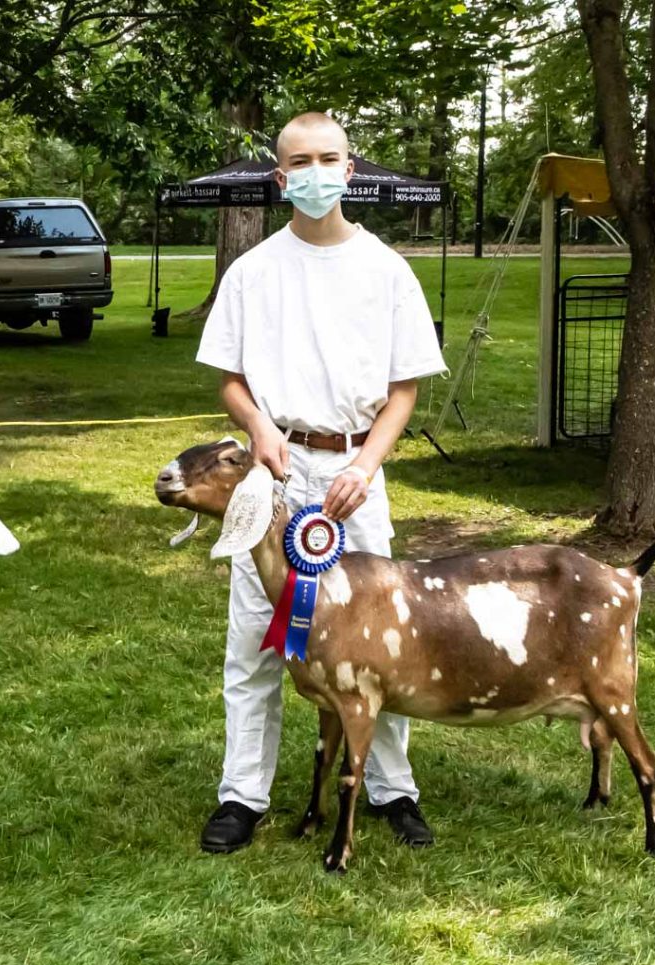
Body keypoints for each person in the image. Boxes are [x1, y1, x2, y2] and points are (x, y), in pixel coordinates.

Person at [194, 111, 450, 855]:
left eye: (328, 157)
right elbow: (231, 381)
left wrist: (367, 464)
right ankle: (243, 794)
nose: (314, 172)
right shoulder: (254, 271)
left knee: (384, 640)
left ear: (350, 167)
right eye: (298, 162)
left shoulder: (386, 271)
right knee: (256, 636)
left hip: (354, 474)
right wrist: (261, 429)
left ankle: (390, 787)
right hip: (271, 471)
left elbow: (404, 390)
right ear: (280, 179)